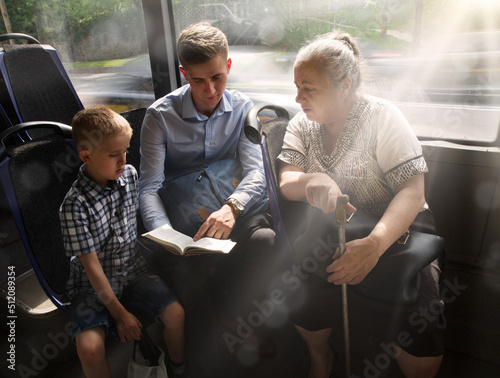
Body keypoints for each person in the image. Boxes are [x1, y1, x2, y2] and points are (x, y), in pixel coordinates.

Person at [278, 32, 445, 377]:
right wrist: (312, 180)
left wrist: (374, 245)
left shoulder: (383, 117)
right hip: (332, 227)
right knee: (298, 290)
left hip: (399, 228)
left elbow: (413, 193)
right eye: (297, 86)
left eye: (309, 88)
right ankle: (320, 357)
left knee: (421, 329)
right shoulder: (301, 123)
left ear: (345, 85)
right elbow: (287, 181)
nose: (299, 98)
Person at [138, 22, 280, 375]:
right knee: (184, 274)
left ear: (228, 66)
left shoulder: (244, 107)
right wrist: (164, 232)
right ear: (184, 73)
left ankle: (237, 317)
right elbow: (149, 188)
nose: (211, 89)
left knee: (265, 241)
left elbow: (256, 172)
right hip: (182, 219)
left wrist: (232, 208)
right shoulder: (159, 117)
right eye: (198, 80)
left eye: (218, 77)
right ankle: (207, 346)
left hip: (233, 205)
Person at [59, 107, 187, 378]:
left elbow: (132, 225)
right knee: (90, 348)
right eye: (113, 154)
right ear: (86, 156)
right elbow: (92, 268)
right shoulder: (74, 206)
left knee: (176, 315)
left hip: (131, 269)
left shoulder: (128, 174)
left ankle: (177, 367)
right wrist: (119, 314)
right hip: (91, 284)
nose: (123, 160)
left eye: (125, 151)